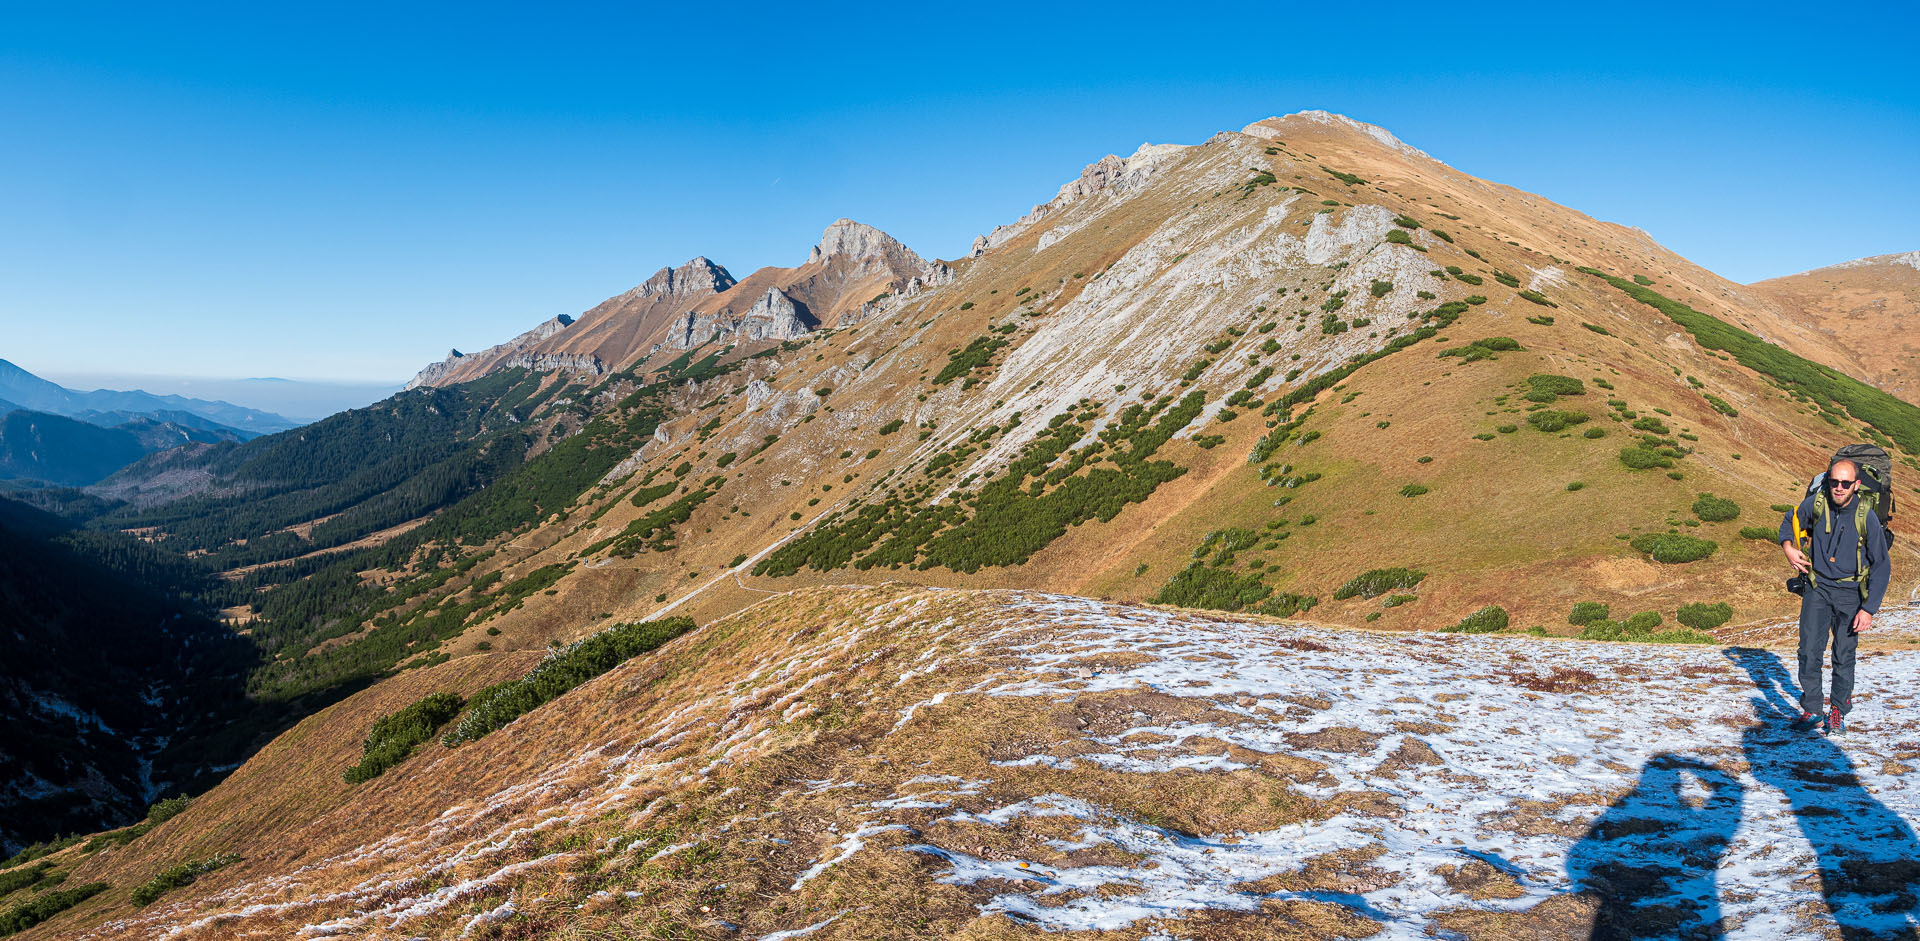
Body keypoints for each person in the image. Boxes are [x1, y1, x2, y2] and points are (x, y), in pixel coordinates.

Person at [1778, 459, 1890, 735]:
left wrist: (1869, 609)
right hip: (1817, 589)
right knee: (1809, 651)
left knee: (1843, 655)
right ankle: (1813, 709)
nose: (1838, 488)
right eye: (1834, 482)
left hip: (1851, 594)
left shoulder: (1867, 516)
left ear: (1856, 485)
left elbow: (1881, 565)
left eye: (1845, 483)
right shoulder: (1817, 503)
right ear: (1828, 480)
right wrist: (1789, 548)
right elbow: (1789, 521)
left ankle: (1838, 710)